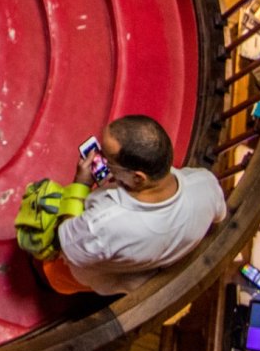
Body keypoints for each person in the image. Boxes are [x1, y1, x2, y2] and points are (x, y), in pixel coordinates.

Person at [43, 115, 227, 295]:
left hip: (86, 271)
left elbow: (66, 243)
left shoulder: (102, 224)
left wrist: (80, 185)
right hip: (143, 270)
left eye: (108, 161)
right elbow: (220, 215)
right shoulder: (205, 182)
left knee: (52, 271)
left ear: (138, 178)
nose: (99, 159)